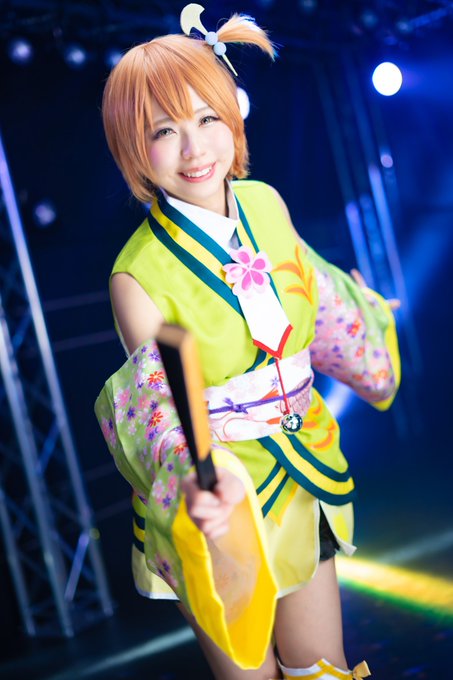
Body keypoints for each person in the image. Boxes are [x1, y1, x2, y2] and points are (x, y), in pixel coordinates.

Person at [95, 5, 400, 679]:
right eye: (164, 131)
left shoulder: (265, 202)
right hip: (219, 503)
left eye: (208, 118)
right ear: (132, 147)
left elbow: (313, 290)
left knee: (322, 669)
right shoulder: (135, 275)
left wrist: (369, 313)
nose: (195, 149)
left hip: (300, 471)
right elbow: (157, 411)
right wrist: (196, 486)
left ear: (233, 116)